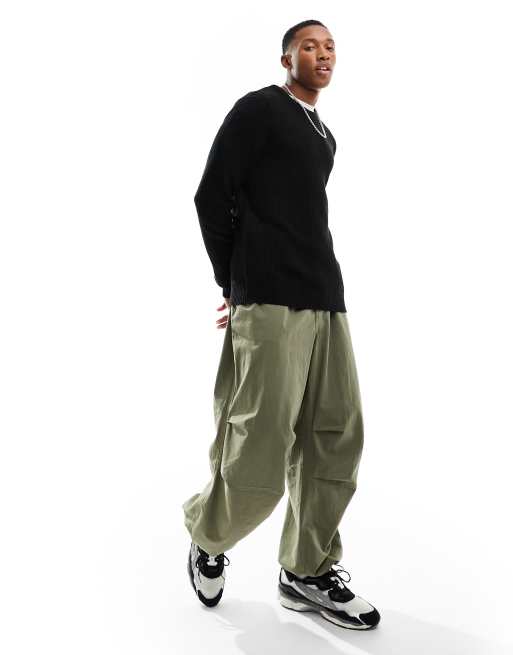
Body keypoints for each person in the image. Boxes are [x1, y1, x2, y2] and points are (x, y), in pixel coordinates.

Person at [182, 19, 380, 630]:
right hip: (268, 298)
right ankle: (209, 537)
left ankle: (306, 571)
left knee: (337, 434)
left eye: (330, 47)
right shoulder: (261, 109)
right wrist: (233, 285)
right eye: (309, 46)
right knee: (261, 440)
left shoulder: (324, 134)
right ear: (286, 57)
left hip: (325, 296)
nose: (322, 54)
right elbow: (211, 196)